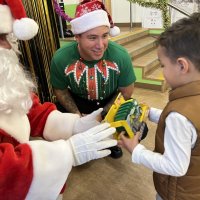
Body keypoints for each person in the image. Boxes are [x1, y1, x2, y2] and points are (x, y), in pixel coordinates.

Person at [0, 1, 117, 199]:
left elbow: (31, 110)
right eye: (2, 38)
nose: (9, 46)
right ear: (77, 37)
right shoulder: (61, 57)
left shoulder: (5, 82)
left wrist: (75, 125)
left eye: (8, 36)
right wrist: (67, 152)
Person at [118, 12, 200, 200]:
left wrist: (136, 150)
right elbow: (191, 132)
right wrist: (151, 113)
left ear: (182, 66)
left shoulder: (179, 115)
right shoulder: (188, 103)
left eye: (162, 65)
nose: (162, 70)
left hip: (177, 193)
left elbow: (175, 166)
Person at [50, 0, 136, 158]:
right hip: (79, 101)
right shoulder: (60, 58)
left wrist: (102, 115)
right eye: (92, 38)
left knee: (135, 122)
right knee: (56, 116)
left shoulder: (121, 55)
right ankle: (80, 141)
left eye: (105, 36)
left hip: (109, 100)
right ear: (77, 37)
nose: (101, 45)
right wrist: (77, 117)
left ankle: (109, 140)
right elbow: (60, 90)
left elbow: (126, 92)